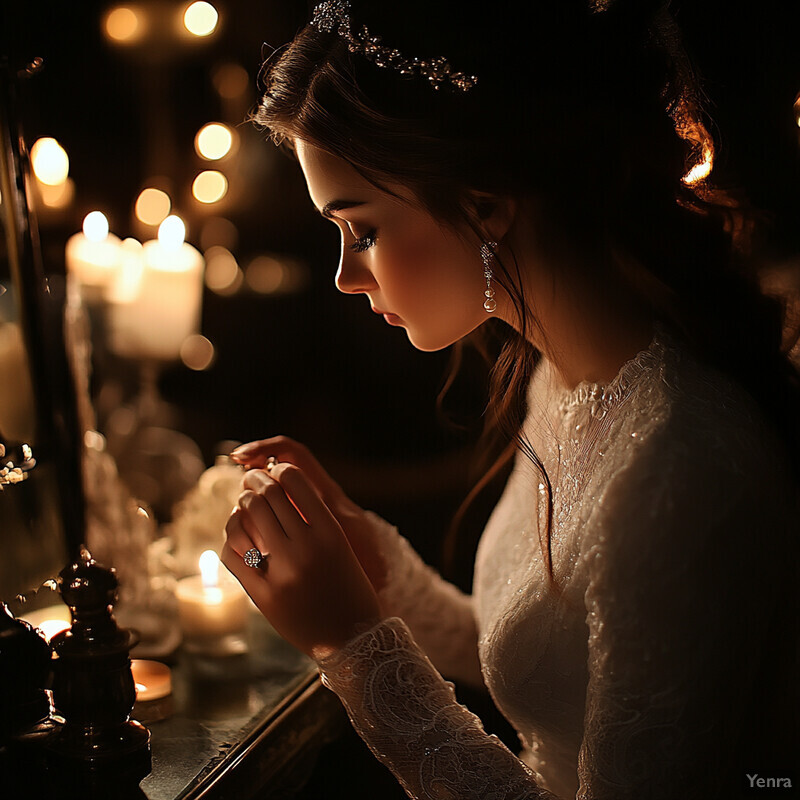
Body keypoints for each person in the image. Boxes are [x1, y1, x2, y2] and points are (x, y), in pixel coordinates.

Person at [221, 1, 799, 797]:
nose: (345, 277)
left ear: (486, 202)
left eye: (364, 230)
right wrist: (376, 571)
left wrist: (352, 644)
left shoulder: (683, 469)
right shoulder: (567, 379)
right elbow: (553, 670)